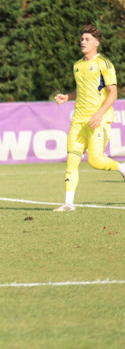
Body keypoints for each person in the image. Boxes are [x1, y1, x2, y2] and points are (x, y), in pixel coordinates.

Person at [53, 25, 125, 212]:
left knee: (95, 161)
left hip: (98, 120)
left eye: (87, 39)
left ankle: (121, 167)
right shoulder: (77, 65)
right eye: (82, 39)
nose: (83, 42)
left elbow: (113, 93)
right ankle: (69, 203)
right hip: (78, 120)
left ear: (96, 43)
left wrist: (99, 113)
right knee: (72, 160)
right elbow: (83, 90)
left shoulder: (104, 63)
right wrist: (67, 97)